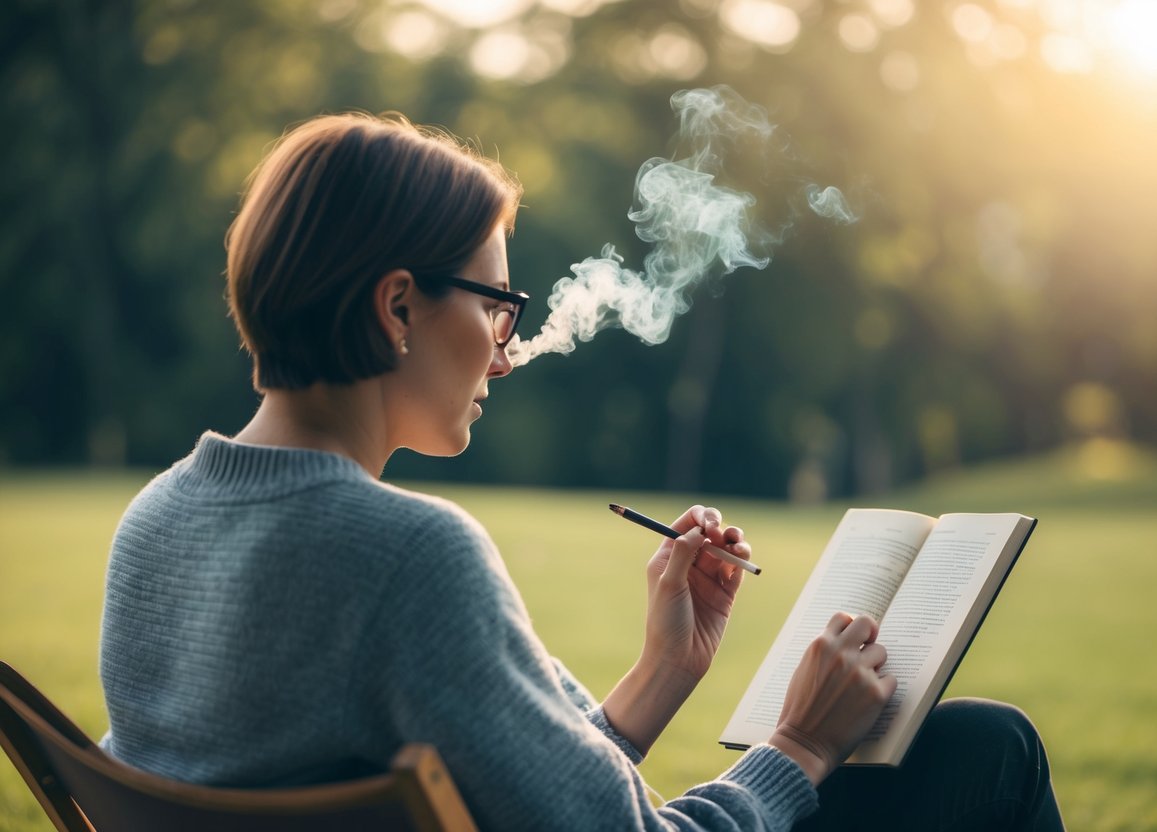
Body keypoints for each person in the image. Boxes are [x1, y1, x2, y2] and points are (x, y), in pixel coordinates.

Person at [98, 112, 1064, 830]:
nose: (505, 353)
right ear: (397, 308)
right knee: (987, 751)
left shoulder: (156, 523)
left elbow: (525, 801)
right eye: (496, 306)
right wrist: (801, 747)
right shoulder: (406, 557)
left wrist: (661, 676)